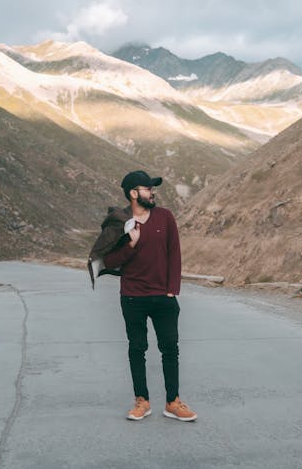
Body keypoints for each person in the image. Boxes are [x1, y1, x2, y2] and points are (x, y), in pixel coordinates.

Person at [101, 170, 197, 422]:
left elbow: (174, 253)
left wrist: (171, 289)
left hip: (163, 297)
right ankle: (141, 401)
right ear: (133, 193)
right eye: (147, 189)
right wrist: (130, 245)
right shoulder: (118, 222)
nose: (152, 192)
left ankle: (173, 402)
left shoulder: (165, 217)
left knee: (170, 349)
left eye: (152, 189)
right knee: (137, 348)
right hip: (132, 297)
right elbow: (108, 260)